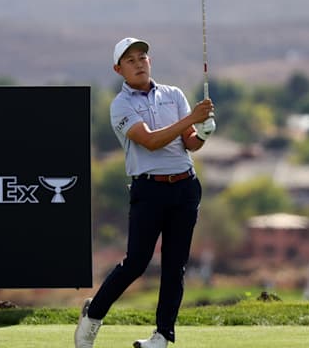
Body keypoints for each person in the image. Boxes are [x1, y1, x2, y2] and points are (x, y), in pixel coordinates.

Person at [75, 37, 216, 348]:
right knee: (136, 262)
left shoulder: (174, 95)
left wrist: (203, 133)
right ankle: (93, 315)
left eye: (143, 57)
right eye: (130, 60)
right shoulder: (120, 105)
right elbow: (150, 141)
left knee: (174, 265)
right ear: (119, 69)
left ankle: (162, 336)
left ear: (150, 61)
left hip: (186, 186)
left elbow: (189, 142)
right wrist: (192, 119)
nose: (139, 63)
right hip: (149, 189)